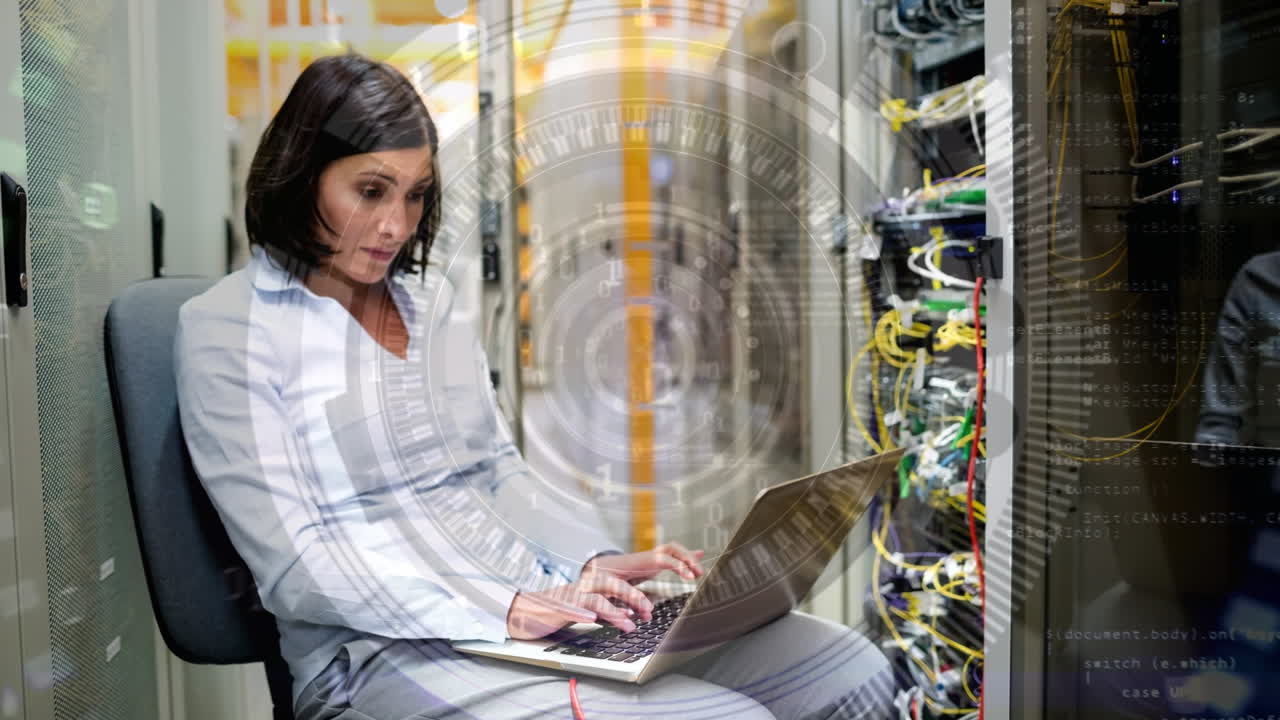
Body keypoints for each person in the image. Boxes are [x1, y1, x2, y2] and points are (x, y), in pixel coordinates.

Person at [174, 53, 892, 720]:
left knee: (846, 668)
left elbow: (496, 471)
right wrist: (502, 606)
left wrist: (588, 564)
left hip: (532, 617)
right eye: (370, 191)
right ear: (303, 177)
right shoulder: (227, 332)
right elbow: (299, 564)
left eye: (416, 196)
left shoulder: (432, 306)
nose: (396, 225)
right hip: (377, 654)